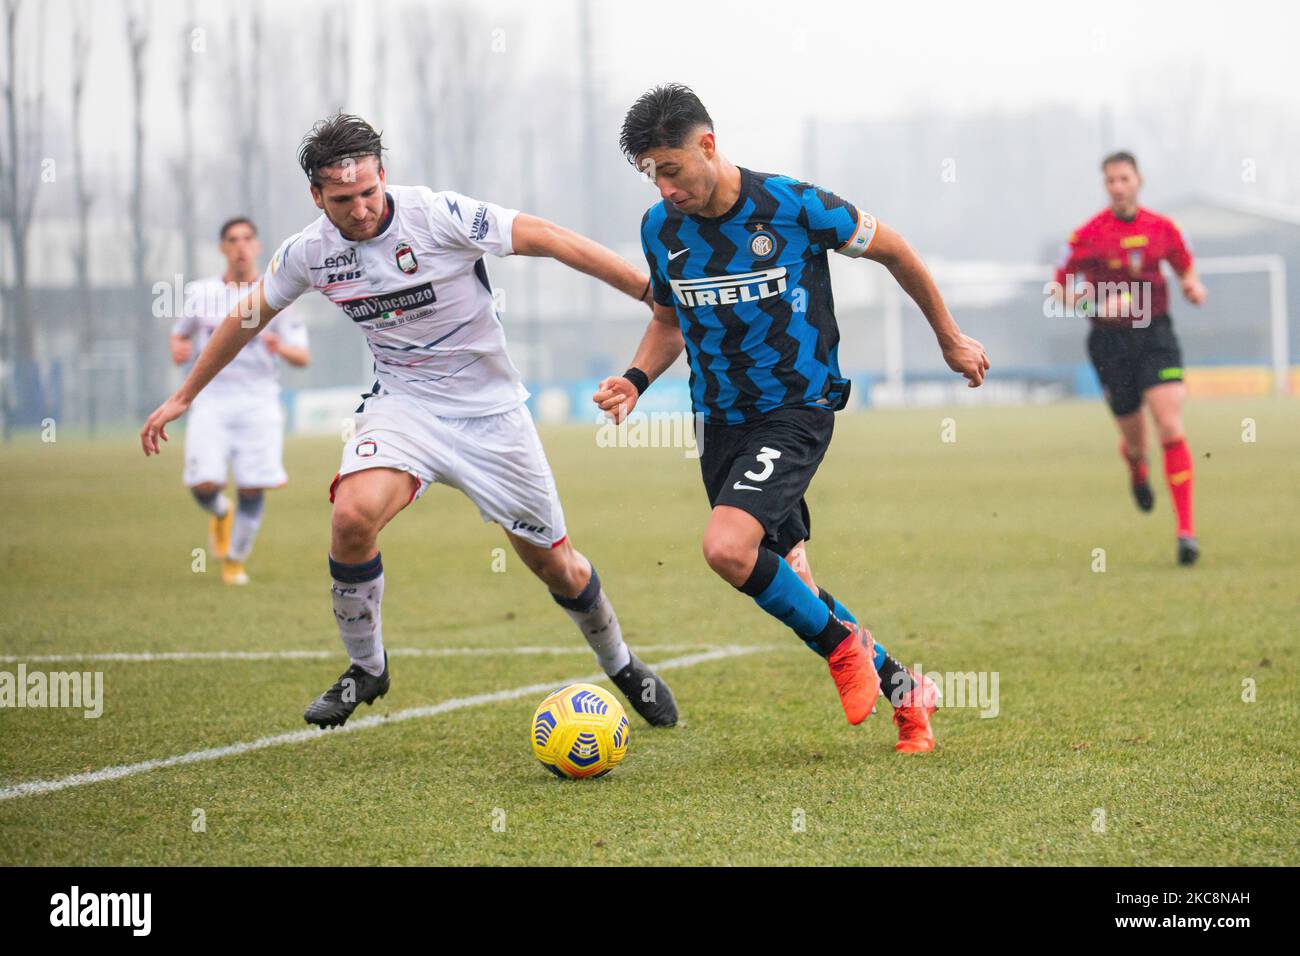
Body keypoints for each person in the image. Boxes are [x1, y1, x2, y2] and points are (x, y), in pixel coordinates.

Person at [143, 114, 678, 730]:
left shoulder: (438, 214)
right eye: (343, 200)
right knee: (350, 516)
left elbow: (550, 238)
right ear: (317, 197)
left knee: (557, 565)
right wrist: (185, 395)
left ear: (384, 177)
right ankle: (366, 667)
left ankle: (621, 664)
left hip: (493, 417)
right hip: (405, 407)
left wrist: (647, 293)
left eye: (370, 192)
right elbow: (246, 316)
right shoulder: (308, 252)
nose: (362, 209)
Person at [595, 84, 989, 752]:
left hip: (796, 411)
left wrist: (949, 338)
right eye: (651, 175)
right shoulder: (659, 229)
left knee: (726, 547)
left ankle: (843, 650)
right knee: (794, 584)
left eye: (672, 169)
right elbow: (669, 318)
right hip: (719, 422)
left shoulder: (794, 205)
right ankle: (905, 691)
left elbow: (897, 250)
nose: (664, 188)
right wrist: (635, 380)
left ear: (708, 145)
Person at [1054, 151, 1206, 565]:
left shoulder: (1163, 228)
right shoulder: (1088, 235)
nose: (1118, 187)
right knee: (1137, 441)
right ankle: (1137, 467)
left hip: (1155, 335)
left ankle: (1186, 532)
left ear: (1139, 180)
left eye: (1124, 178)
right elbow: (1059, 289)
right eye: (1110, 181)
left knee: (1171, 426)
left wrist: (1192, 286)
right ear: (1105, 186)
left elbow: (1185, 268)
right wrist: (1093, 307)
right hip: (1109, 343)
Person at [170, 217, 310, 586]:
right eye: (232, 240)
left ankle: (235, 561)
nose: (241, 246)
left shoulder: (276, 292)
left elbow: (302, 356)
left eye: (248, 239)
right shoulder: (201, 293)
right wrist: (179, 348)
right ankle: (220, 512)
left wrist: (281, 347)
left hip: (259, 399)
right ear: (222, 248)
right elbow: (178, 336)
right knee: (203, 483)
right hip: (211, 398)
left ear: (258, 246)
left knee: (252, 486)